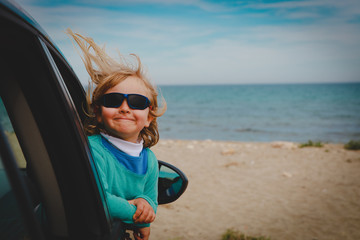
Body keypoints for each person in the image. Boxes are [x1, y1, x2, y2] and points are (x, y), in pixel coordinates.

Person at [67, 29, 166, 240]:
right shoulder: (93, 149)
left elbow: (152, 202)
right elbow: (98, 200)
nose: (125, 108)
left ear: (149, 117)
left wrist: (145, 216)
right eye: (113, 101)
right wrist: (135, 213)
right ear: (98, 113)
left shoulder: (149, 159)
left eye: (137, 102)